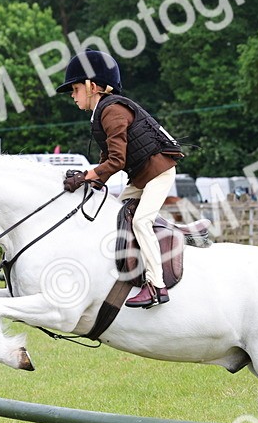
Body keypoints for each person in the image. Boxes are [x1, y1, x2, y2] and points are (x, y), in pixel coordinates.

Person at [57, 50, 184, 308]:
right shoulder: (103, 112)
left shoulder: (112, 111)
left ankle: (157, 286)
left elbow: (116, 162)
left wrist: (85, 176)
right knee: (112, 214)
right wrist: (92, 183)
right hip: (140, 178)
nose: (72, 94)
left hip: (158, 174)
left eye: (76, 88)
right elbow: (108, 158)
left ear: (92, 86)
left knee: (140, 222)